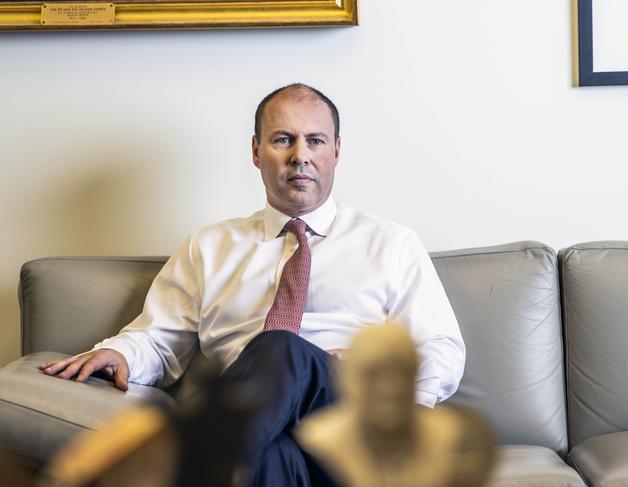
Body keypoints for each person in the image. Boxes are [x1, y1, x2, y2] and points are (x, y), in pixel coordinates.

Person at [40, 83, 466, 486]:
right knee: (269, 451)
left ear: (336, 152)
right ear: (256, 151)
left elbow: (442, 348)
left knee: (283, 348)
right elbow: (159, 338)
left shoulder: (390, 243)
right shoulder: (209, 246)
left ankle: (190, 462)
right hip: (262, 434)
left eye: (315, 141)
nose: (300, 156)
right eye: (283, 140)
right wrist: (120, 352)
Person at [296, 324, 494, 487]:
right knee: (276, 453)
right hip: (281, 402)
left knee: (283, 346)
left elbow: (444, 347)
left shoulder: (461, 439)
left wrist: (413, 410)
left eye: (402, 374)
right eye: (376, 376)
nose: (389, 388)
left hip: (330, 380)